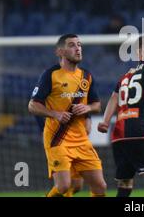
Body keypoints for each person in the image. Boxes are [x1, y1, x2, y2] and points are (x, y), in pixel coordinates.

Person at [28, 34, 107, 197]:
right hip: (58, 138)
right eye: (72, 45)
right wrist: (54, 114)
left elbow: (97, 105)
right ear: (60, 52)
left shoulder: (87, 76)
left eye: (79, 45)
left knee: (99, 186)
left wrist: (87, 109)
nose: (77, 48)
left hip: (81, 139)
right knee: (64, 186)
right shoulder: (50, 75)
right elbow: (32, 105)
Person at [98, 35, 144, 197]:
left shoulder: (126, 75)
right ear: (139, 52)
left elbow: (113, 97)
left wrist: (105, 121)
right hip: (139, 131)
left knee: (125, 183)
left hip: (118, 135)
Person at [34, 115, 92, 197]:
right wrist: (43, 128)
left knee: (77, 186)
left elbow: (88, 105)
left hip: (76, 138)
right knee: (64, 185)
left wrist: (88, 120)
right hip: (57, 140)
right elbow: (36, 106)